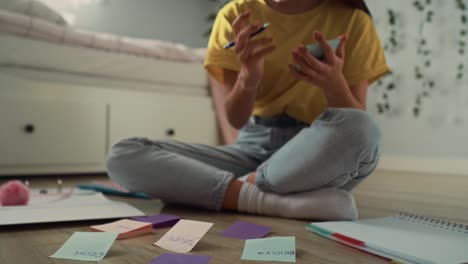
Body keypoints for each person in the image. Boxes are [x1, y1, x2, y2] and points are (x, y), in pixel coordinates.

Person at [106, 0, 390, 221]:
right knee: (124, 154)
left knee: (363, 129)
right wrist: (249, 77)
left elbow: (355, 120)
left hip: (313, 153)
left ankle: (245, 190)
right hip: (252, 149)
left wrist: (333, 85)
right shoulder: (235, 14)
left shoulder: (353, 19)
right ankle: (269, 200)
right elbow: (236, 118)